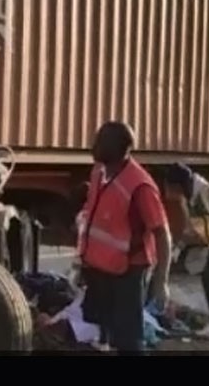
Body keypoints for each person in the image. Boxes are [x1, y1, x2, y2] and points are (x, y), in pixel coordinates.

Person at [78, 121, 172, 353]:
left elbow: (162, 233)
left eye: (101, 141)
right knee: (102, 330)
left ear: (121, 148)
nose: (95, 145)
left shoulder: (140, 186)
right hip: (99, 267)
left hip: (127, 272)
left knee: (128, 340)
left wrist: (161, 282)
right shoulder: (99, 172)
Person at [164, 163, 209, 342]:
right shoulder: (194, 197)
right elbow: (193, 228)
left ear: (180, 184)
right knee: (208, 279)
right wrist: (179, 247)